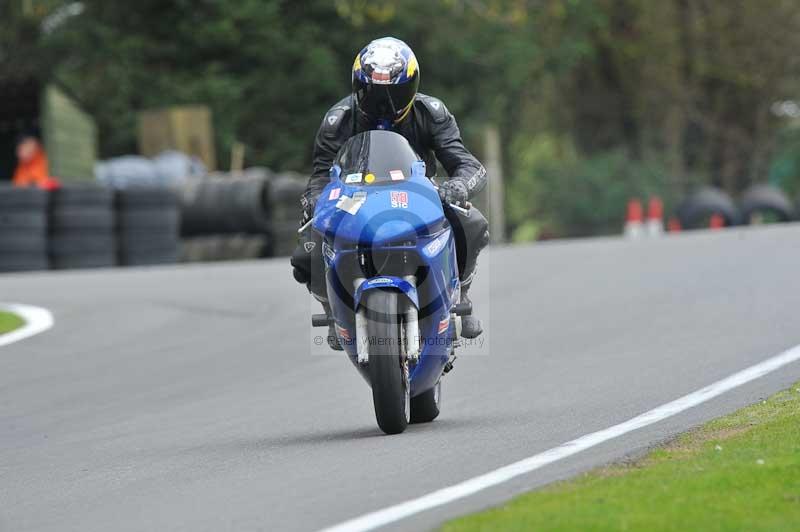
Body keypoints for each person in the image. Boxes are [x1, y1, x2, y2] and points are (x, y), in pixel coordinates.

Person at [291, 37, 489, 350]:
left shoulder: (431, 112)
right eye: (373, 92)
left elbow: (466, 163)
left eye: (394, 92)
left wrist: (459, 185)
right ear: (358, 86)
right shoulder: (338, 120)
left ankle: (460, 293)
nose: (384, 102)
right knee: (307, 248)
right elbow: (319, 176)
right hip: (357, 200)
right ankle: (332, 309)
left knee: (473, 223)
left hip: (419, 196)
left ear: (411, 86)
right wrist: (313, 201)